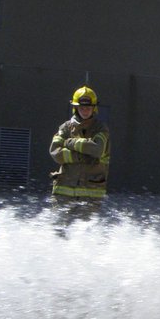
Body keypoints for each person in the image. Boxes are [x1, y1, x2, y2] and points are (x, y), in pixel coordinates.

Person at [49, 85, 110, 221]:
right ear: (75, 107)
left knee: (83, 234)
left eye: (88, 108)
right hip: (63, 192)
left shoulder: (101, 128)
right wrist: (81, 156)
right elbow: (55, 153)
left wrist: (70, 143)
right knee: (58, 232)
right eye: (82, 107)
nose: (85, 111)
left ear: (94, 108)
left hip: (90, 194)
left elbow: (97, 149)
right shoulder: (65, 128)